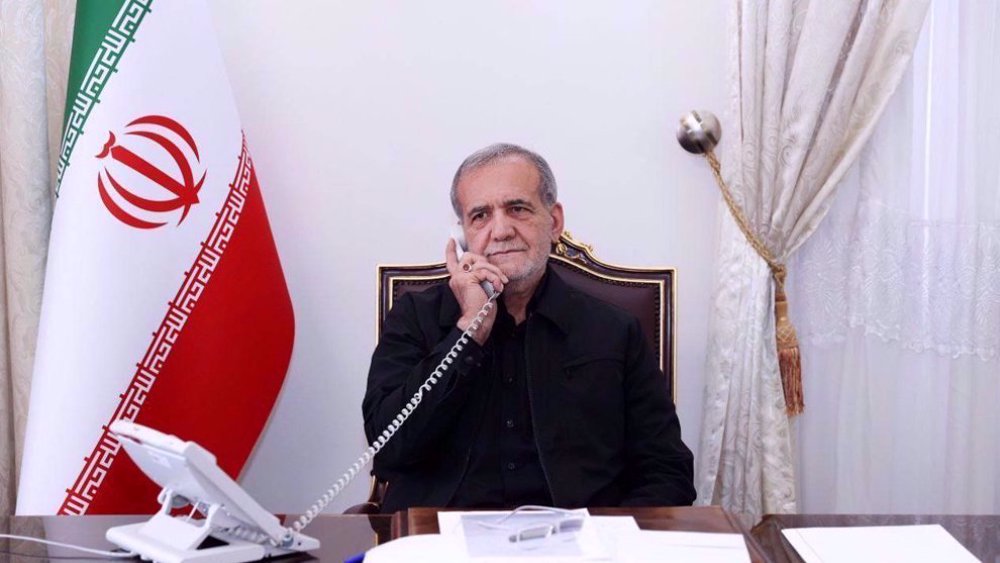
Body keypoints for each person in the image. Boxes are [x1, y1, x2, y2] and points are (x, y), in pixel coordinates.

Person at [362, 143, 695, 513]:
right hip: (445, 539)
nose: (500, 230)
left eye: (517, 209)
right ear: (465, 236)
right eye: (480, 216)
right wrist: (467, 334)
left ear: (553, 222)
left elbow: (667, 470)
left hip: (580, 545)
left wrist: (614, 542)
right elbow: (388, 449)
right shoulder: (415, 317)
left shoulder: (615, 331)